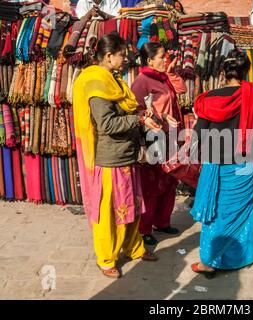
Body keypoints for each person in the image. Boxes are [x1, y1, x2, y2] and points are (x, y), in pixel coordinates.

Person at [72, 32, 159, 279]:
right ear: (109, 56)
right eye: (122, 55)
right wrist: (138, 118)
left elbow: (125, 110)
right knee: (108, 213)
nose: (126, 59)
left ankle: (133, 248)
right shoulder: (97, 85)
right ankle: (106, 258)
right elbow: (107, 124)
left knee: (131, 206)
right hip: (110, 159)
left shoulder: (112, 79)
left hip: (126, 154)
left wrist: (142, 117)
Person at [189, 49, 253, 278]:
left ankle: (210, 261)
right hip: (243, 162)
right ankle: (242, 257)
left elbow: (199, 134)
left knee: (215, 210)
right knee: (241, 209)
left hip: (215, 161)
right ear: (246, 71)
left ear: (223, 72)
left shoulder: (208, 98)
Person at [131, 42, 187, 246]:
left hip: (172, 135)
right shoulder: (142, 81)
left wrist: (171, 73)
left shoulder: (164, 78)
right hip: (154, 137)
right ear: (150, 61)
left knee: (170, 179)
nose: (166, 59)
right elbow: (136, 110)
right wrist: (159, 116)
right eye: (162, 57)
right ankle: (145, 227)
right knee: (151, 184)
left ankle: (163, 221)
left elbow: (182, 89)